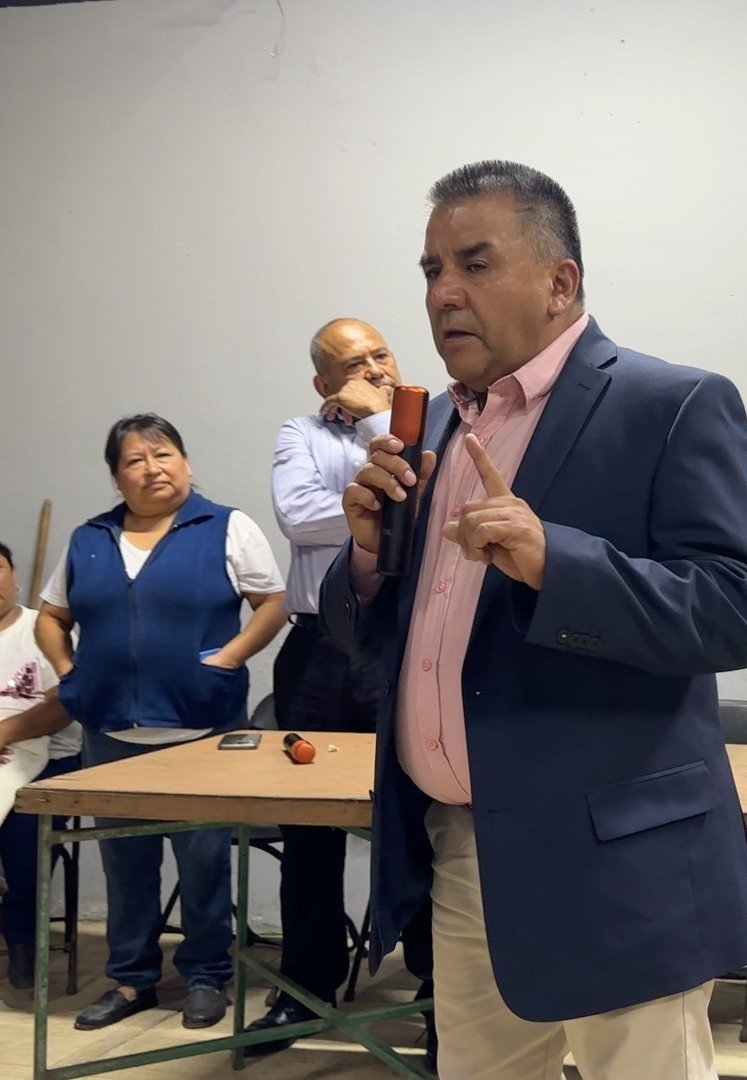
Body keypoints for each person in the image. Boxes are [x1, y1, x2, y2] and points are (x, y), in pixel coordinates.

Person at [319, 160, 747, 1080]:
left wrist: (552, 562)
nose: (443, 293)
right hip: (462, 849)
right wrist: (367, 558)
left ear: (560, 282)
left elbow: (734, 610)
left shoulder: (671, 404)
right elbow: (385, 635)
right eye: (432, 270)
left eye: (475, 264)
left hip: (621, 861)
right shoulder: (437, 429)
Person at [36, 414, 286, 1032]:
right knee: (125, 864)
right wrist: (70, 671)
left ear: (186, 462)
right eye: (134, 460)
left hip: (202, 734)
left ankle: (206, 975)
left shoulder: (225, 526)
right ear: (116, 476)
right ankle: (131, 979)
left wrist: (227, 659)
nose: (152, 468)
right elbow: (50, 616)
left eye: (164, 453)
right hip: (110, 735)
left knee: (204, 863)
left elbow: (272, 603)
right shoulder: (89, 538)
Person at [244, 318, 436, 1069]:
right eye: (354, 365)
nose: (376, 369)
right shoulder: (301, 433)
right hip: (319, 647)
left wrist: (385, 424)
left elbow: (428, 509)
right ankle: (306, 982)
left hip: (404, 645)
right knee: (309, 829)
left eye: (381, 354)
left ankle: (436, 993)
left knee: (421, 817)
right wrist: (385, 504)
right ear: (325, 383)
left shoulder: (433, 423)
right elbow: (298, 517)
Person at [0, 541, 82, 988]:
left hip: (51, 758)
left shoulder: (42, 630)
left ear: (13, 577)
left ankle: (22, 937)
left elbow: (62, 707)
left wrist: (4, 734)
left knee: (24, 834)